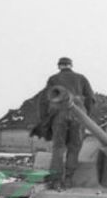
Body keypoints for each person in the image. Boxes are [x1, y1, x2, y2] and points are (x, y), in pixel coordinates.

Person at [41, 57, 95, 189]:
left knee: (58, 148)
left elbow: (44, 100)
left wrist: (45, 119)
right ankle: (69, 179)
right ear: (71, 65)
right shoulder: (81, 78)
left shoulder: (53, 79)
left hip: (59, 114)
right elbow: (91, 99)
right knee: (74, 147)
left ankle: (56, 180)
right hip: (78, 115)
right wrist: (86, 115)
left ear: (59, 66)